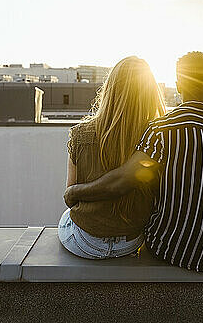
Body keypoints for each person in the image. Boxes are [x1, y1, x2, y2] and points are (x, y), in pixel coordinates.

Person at [65, 51, 203, 272]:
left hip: (168, 248)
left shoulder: (163, 130)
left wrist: (75, 193)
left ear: (179, 85)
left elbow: (123, 180)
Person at [58, 56, 166, 259]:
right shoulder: (154, 139)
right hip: (131, 241)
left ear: (110, 88)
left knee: (66, 217)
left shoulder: (80, 133)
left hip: (84, 242)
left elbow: (70, 197)